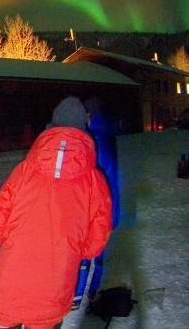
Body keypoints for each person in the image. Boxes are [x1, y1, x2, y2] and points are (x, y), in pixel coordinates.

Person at [0, 97, 112, 329]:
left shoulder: (25, 169)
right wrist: (81, 249)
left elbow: (0, 206)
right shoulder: (95, 180)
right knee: (45, 318)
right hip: (59, 270)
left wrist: (0, 235)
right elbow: (100, 227)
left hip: (14, 264)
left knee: (5, 316)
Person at [72, 98, 120, 310]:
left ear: (91, 116)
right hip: (104, 209)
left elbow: (99, 180)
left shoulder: (95, 142)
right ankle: (90, 292)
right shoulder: (105, 138)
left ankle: (80, 294)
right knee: (96, 254)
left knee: (87, 254)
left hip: (95, 209)